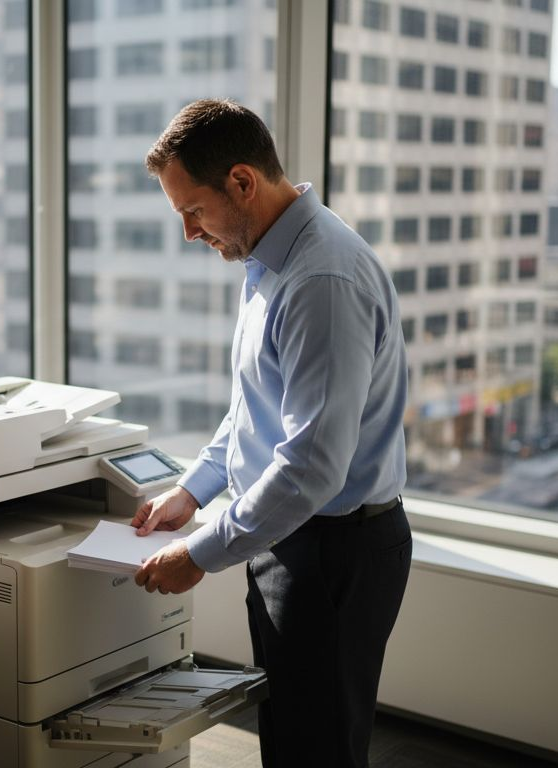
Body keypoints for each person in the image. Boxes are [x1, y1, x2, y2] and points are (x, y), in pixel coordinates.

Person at [131, 98, 411, 767]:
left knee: (316, 750)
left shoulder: (320, 278)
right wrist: (194, 492)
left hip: (334, 549)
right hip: (297, 537)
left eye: (193, 211)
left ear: (242, 182)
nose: (190, 234)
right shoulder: (266, 259)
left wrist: (201, 554)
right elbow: (256, 407)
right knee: (292, 736)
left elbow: (312, 465)